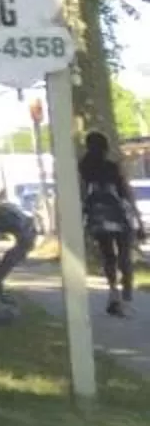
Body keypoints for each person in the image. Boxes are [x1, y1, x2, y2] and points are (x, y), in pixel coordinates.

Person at [78, 132, 139, 316]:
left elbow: (83, 195)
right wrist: (139, 222)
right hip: (119, 216)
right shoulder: (112, 167)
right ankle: (126, 298)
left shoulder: (84, 168)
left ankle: (113, 293)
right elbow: (126, 192)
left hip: (98, 219)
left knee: (108, 257)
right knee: (125, 257)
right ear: (105, 147)